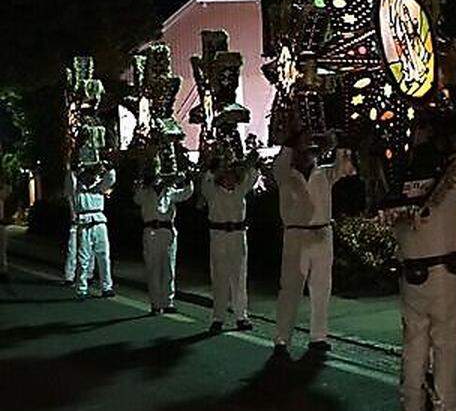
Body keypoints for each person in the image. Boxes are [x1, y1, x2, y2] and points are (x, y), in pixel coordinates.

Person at [388, 117, 456, 411]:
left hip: (412, 277)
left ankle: (411, 402)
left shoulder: (397, 192)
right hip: (444, 277)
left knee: (414, 345)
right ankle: (444, 403)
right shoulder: (443, 189)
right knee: (446, 347)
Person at [272, 123, 355, 354]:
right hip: (296, 234)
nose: (308, 152)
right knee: (290, 288)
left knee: (321, 288)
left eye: (311, 149)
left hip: (322, 233)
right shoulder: (285, 173)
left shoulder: (324, 173)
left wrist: (341, 143)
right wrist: (293, 139)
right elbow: (281, 160)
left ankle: (318, 336)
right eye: (304, 149)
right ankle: (282, 338)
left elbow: (346, 168)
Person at [200, 162, 258, 332]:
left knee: (239, 277)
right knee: (219, 278)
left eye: (232, 174)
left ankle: (241, 316)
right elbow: (205, 183)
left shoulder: (240, 190)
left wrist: (248, 163)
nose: (230, 178)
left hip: (237, 236)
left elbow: (252, 176)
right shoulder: (213, 192)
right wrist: (213, 166)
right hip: (219, 236)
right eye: (227, 174)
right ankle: (218, 317)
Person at [133, 164, 194, 314]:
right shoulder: (145, 191)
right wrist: (146, 182)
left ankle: (168, 301)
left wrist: (186, 179)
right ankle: (155, 303)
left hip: (167, 231)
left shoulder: (170, 191)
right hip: (151, 231)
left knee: (168, 267)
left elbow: (186, 193)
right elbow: (137, 198)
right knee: (153, 268)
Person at [67, 165, 117, 299]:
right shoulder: (77, 187)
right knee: (83, 258)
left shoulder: (99, 186)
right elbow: (70, 180)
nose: (91, 176)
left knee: (104, 256)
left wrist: (107, 166)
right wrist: (74, 167)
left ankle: (107, 287)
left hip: (99, 222)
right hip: (84, 222)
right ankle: (82, 288)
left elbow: (111, 178)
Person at [0, 171, 11, 281]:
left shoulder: (4, 191)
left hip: (2, 223)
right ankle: (3, 269)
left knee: (2, 248)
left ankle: (3, 269)